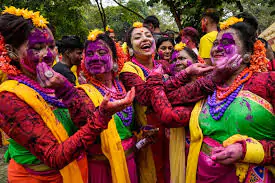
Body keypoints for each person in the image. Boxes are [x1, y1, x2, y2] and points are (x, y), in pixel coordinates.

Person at [0, 7, 134, 183]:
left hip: (79, 172)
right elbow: (54, 157)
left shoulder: (55, 82)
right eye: (38, 48)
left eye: (52, 46)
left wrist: (67, 91)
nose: (48, 55)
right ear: (11, 51)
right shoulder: (8, 97)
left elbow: (85, 123)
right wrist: (102, 115)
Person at [150, 14, 275, 183]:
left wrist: (247, 150)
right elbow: (170, 98)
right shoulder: (209, 84)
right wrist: (192, 73)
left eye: (227, 43)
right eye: (215, 44)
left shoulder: (267, 82)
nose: (217, 48)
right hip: (202, 173)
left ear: (247, 54)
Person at [120, 22, 214, 183]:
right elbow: (145, 96)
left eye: (148, 35)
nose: (145, 39)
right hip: (150, 132)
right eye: (138, 37)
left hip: (173, 129)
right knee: (153, 173)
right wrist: (183, 75)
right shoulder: (128, 69)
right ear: (129, 48)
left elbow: (170, 91)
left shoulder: (163, 65)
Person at [75, 29, 141, 183]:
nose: (95, 58)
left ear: (115, 58)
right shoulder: (82, 93)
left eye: (101, 52)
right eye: (89, 54)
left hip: (130, 161)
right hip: (102, 167)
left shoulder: (125, 84)